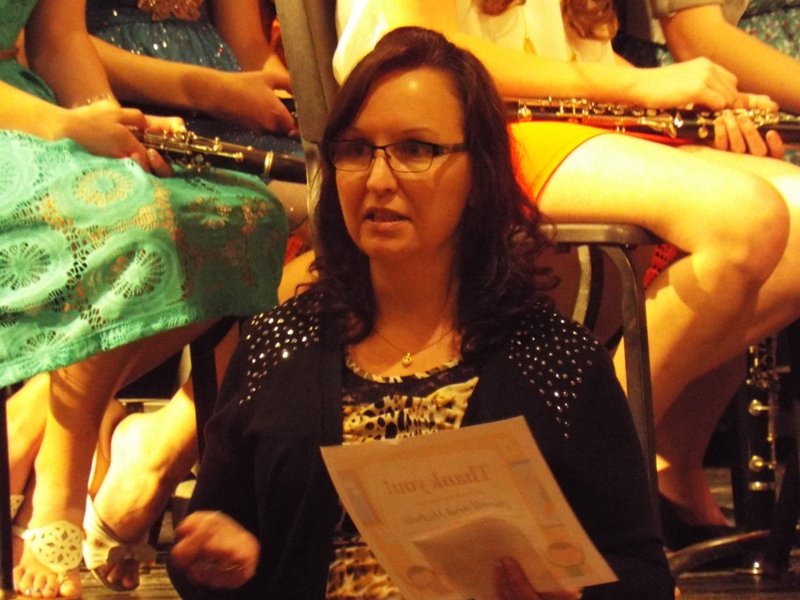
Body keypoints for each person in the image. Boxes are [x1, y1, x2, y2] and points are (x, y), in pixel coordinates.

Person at [166, 26, 675, 600]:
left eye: (416, 150)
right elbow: (210, 544)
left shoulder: (556, 361)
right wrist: (212, 559)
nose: (379, 179)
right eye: (356, 150)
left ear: (479, 173)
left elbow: (644, 576)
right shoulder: (278, 346)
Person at [294, 0, 800, 552]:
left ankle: (666, 463)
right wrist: (638, 86)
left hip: (571, 125)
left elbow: (574, 57)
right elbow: (414, 44)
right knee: (743, 219)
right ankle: (576, 477)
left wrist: (698, 101)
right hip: (470, 133)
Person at [2, 0, 288, 596]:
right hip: (22, 122)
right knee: (129, 229)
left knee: (247, 217)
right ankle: (59, 488)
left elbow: (57, 37)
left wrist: (106, 119)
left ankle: (31, 423)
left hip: (36, 104)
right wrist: (66, 127)